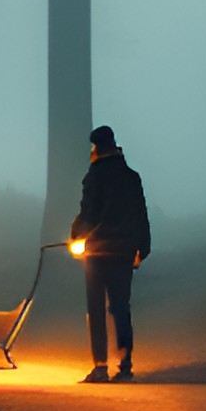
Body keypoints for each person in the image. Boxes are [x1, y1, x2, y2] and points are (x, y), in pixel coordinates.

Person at [69, 123, 151, 384]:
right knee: (120, 306)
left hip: (97, 251)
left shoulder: (94, 176)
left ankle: (100, 366)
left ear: (96, 148)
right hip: (124, 251)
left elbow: (88, 212)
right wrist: (142, 248)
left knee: (95, 308)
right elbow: (141, 214)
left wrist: (76, 235)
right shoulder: (131, 176)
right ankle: (125, 364)